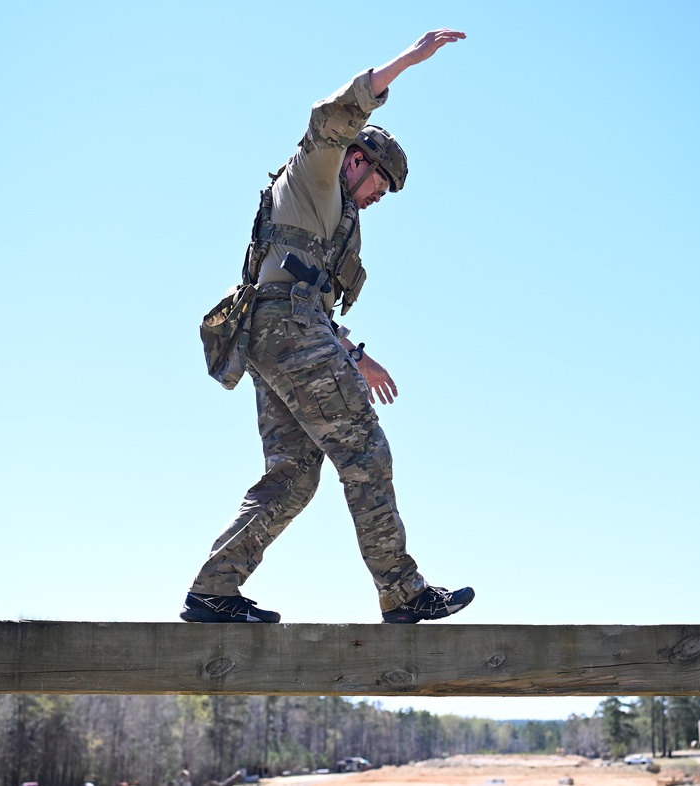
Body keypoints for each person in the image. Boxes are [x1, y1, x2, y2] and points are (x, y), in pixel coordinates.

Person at [181, 29, 474, 625]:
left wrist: (352, 353)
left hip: (278, 333)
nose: (378, 199)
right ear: (358, 160)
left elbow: (313, 297)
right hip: (282, 329)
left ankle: (213, 589)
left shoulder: (340, 221)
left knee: (293, 476)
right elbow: (331, 116)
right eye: (379, 186)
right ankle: (402, 590)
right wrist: (407, 62)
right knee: (364, 447)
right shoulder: (319, 173)